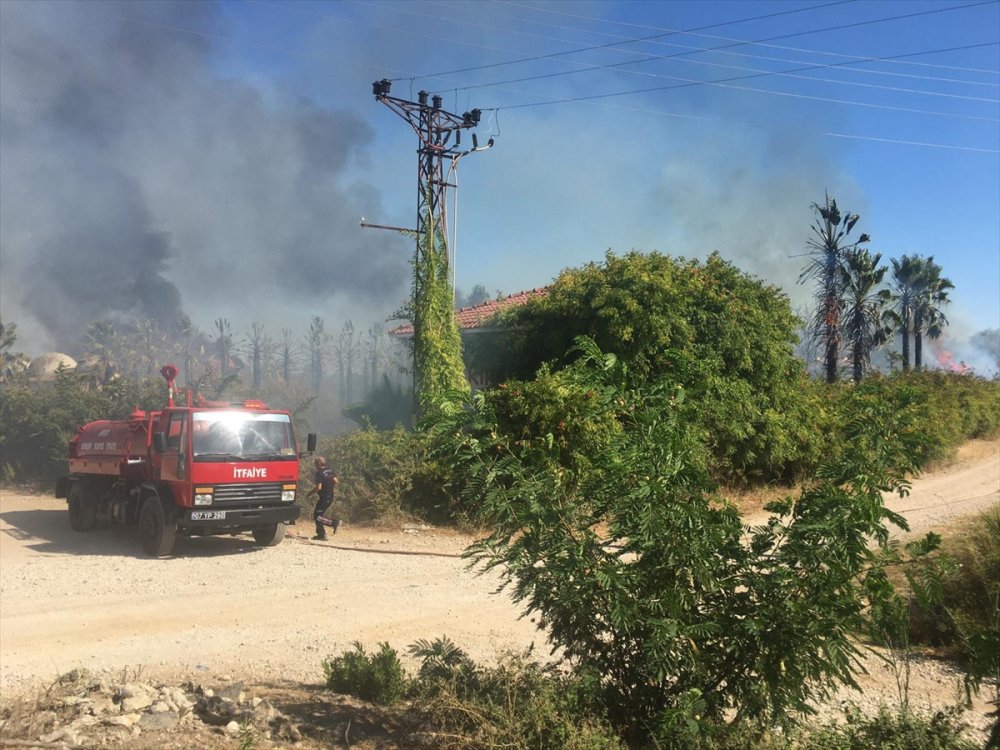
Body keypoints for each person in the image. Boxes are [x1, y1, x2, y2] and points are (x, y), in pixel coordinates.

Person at [308, 456, 340, 540]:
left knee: (317, 516)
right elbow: (336, 481)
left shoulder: (319, 473)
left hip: (324, 497)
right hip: (330, 496)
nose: (315, 465)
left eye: (315, 463)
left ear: (319, 463)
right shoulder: (330, 470)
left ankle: (333, 523)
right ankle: (321, 534)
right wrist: (330, 487)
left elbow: (319, 487)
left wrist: (310, 493)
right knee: (319, 515)